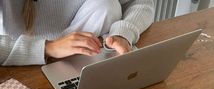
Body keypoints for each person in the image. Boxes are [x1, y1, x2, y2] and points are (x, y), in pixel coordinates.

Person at [0, 0, 155, 66]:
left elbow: (141, 2)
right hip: (18, 65)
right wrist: (48, 48)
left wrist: (123, 33)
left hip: (86, 63)